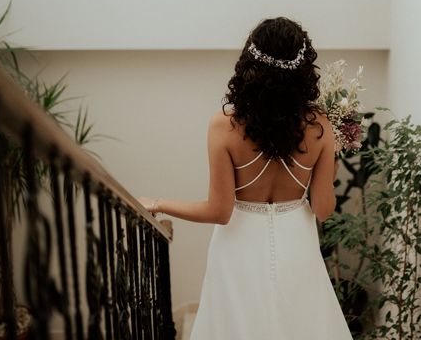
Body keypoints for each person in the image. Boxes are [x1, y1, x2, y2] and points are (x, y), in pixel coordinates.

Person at [139, 17, 353, 339]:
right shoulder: (320, 126)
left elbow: (219, 211)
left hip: (238, 245)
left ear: (250, 64)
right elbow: (322, 209)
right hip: (296, 242)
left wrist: (158, 203)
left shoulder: (224, 125)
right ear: (303, 68)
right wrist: (330, 168)